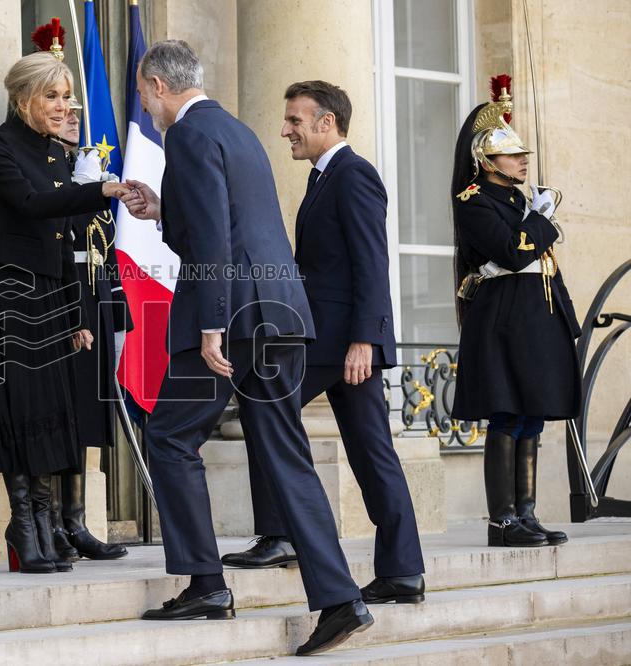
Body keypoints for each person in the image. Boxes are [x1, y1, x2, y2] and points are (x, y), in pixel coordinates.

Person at [120, 40, 373, 657]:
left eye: (143, 92)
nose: (145, 104)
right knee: (285, 454)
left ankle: (206, 584)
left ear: (155, 84)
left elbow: (212, 237)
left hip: (233, 316)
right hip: (279, 311)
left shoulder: (184, 134)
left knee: (170, 436)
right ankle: (342, 600)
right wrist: (160, 210)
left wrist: (209, 326)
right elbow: (228, 221)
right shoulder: (235, 131)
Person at [221, 80, 426, 606]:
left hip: (338, 343)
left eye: (294, 120)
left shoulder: (353, 175)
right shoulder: (323, 178)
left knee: (262, 400)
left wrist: (364, 340)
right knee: (371, 449)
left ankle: (280, 534)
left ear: (325, 122)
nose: (285, 129)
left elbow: (371, 263)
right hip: (330, 339)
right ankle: (403, 572)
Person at [0, 52, 126, 574]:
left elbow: (66, 237)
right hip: (9, 289)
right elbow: (29, 204)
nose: (62, 105)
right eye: (52, 96)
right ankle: (22, 525)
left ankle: (45, 525)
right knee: (18, 405)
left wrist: (79, 315)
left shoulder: (56, 154)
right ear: (23, 98)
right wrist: (101, 189)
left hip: (53, 292)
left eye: (66, 96)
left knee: (50, 407)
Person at [450, 75, 580, 548]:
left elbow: (545, 266)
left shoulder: (519, 200)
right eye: (513, 155)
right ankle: (501, 519)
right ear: (488, 161)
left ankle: (526, 513)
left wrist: (567, 316)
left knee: (532, 415)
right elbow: (513, 252)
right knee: (506, 415)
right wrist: (543, 220)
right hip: (504, 320)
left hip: (534, 319)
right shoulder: (475, 202)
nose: (524, 161)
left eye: (523, 154)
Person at [48, 100, 129, 561]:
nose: (74, 116)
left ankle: (75, 521)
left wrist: (116, 311)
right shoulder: (52, 172)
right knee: (57, 414)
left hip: (93, 297)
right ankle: (52, 522)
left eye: (78, 109)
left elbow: (105, 246)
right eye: (62, 108)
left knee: (82, 415)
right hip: (59, 298)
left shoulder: (86, 167)